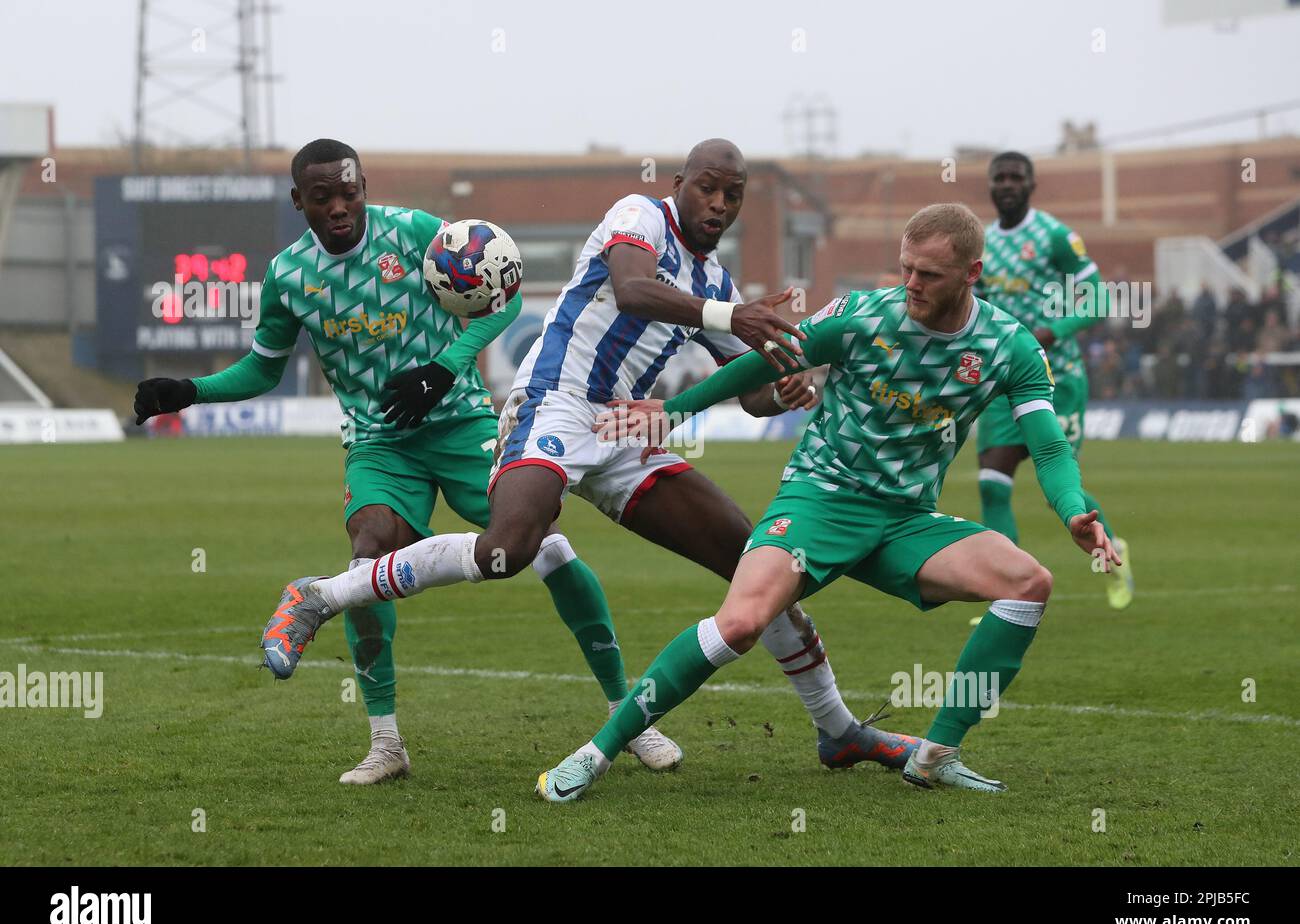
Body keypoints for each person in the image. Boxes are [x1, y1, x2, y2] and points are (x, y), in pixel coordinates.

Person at [263, 139, 924, 778]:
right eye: (707, 188)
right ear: (679, 186)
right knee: (507, 551)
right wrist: (730, 316)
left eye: (733, 194)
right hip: (553, 404)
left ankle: (837, 730)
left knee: (757, 563)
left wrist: (779, 389)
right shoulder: (638, 217)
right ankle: (321, 595)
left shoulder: (714, 281)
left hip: (621, 429)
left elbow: (747, 390)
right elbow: (635, 290)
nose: (719, 204)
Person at [134, 138, 681, 783]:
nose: (339, 206)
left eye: (349, 191)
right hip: (380, 442)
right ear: (298, 201)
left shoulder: (417, 234)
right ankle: (386, 744)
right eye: (322, 198)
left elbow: (502, 297)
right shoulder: (288, 275)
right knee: (368, 552)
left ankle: (629, 716)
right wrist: (191, 391)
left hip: (461, 426)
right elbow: (264, 367)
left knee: (547, 548)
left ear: (363, 184)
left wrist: (446, 369)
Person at [535, 202, 1120, 801]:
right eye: (906, 269)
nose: (911, 285)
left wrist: (1073, 508)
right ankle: (597, 752)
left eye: (929, 275)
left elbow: (1048, 449)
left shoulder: (1010, 346)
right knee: (739, 623)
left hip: (906, 522)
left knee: (1029, 582)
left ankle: (937, 753)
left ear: (971, 274)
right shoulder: (862, 316)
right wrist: (676, 409)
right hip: (820, 500)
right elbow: (767, 360)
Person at [975, 151, 1134, 610]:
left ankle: (1113, 546)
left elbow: (1098, 299)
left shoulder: (1055, 237)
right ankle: (1006, 593)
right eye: (999, 177)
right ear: (990, 187)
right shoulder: (981, 243)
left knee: (1059, 491)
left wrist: (1052, 330)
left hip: (1056, 377)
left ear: (1031, 184)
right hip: (1004, 378)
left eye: (1015, 177)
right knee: (991, 480)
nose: (1007, 184)